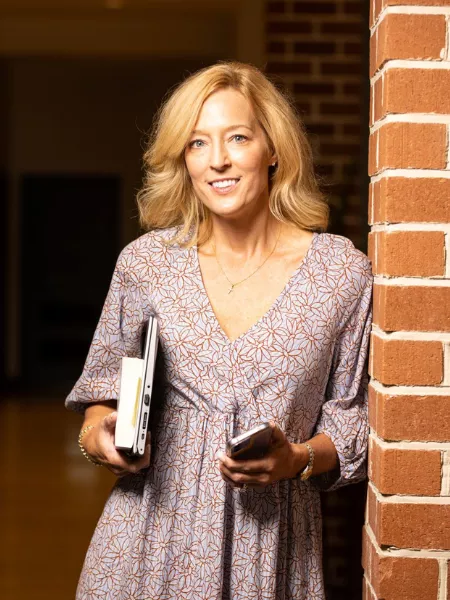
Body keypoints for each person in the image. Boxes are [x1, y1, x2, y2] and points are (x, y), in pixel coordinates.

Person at [66, 61, 373, 600]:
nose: (219, 161)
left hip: (271, 551)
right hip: (142, 546)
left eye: (237, 137)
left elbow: (352, 424)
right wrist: (103, 439)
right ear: (183, 160)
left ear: (273, 147)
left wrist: (297, 459)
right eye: (197, 144)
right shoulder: (147, 264)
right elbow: (101, 399)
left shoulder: (340, 275)